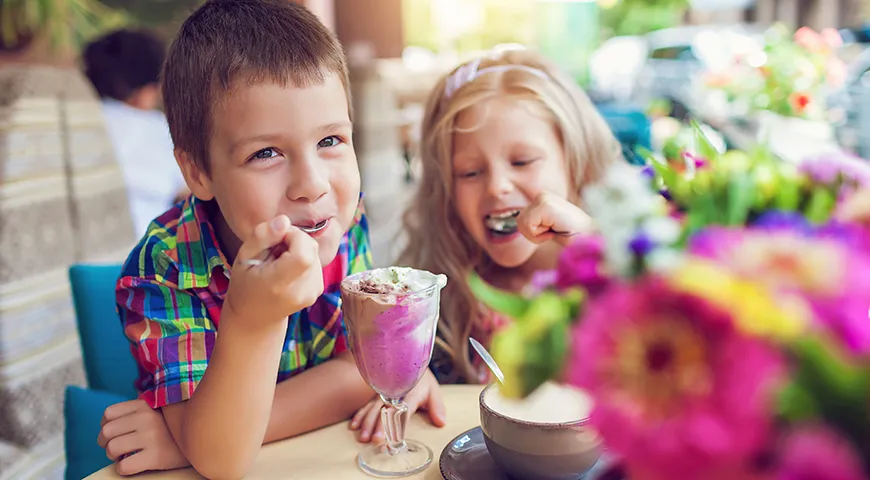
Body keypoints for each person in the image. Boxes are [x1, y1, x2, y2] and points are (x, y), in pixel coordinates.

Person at [95, 1, 443, 477]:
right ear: (198, 172)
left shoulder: (335, 222)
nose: (312, 184)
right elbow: (222, 461)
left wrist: (189, 437)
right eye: (266, 153)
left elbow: (357, 371)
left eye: (330, 141)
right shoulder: (165, 267)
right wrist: (252, 317)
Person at [398, 47, 621, 385]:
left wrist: (596, 251)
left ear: (579, 163)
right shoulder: (445, 306)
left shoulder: (619, 280)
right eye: (470, 172)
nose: (497, 187)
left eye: (522, 162)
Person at [82, 29, 189, 238]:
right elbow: (190, 191)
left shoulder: (80, 121)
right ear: (146, 89)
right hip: (145, 256)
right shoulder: (158, 128)